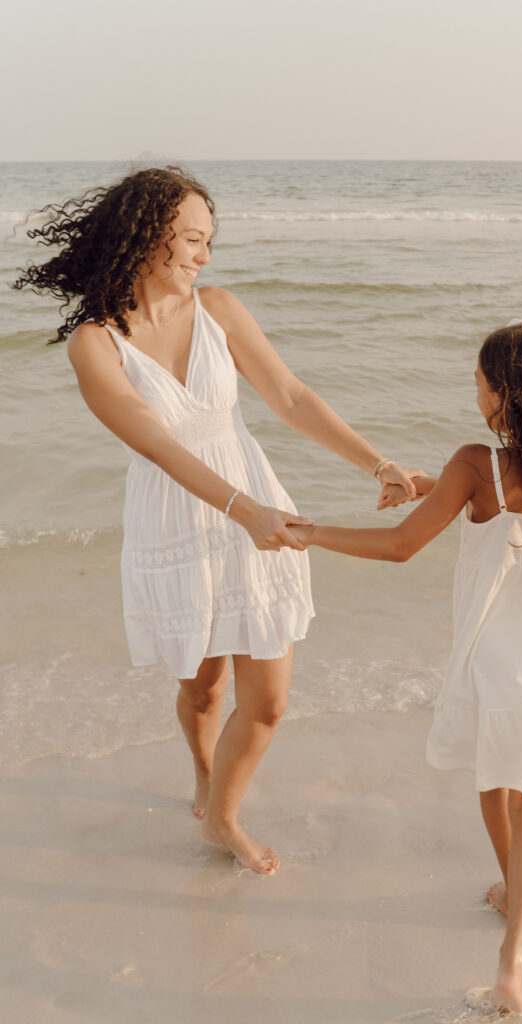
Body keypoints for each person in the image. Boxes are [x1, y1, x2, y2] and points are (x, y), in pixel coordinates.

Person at [13, 166, 420, 876]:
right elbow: (158, 444)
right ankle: (204, 772)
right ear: (145, 239)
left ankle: (222, 819)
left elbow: (289, 397)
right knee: (202, 686)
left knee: (267, 701)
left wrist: (377, 464)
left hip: (251, 496)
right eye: (192, 239)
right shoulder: (95, 343)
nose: (204, 255)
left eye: (208, 240)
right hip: (179, 512)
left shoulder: (221, 311)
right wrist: (243, 510)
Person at [290, 309, 522, 1016]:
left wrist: (310, 535)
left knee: (494, 787)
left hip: (490, 663)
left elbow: (402, 547)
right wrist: (433, 487)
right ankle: (513, 924)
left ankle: (512, 933)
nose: (474, 389)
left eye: (479, 380)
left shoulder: (475, 463)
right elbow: (507, 505)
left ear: (504, 396)